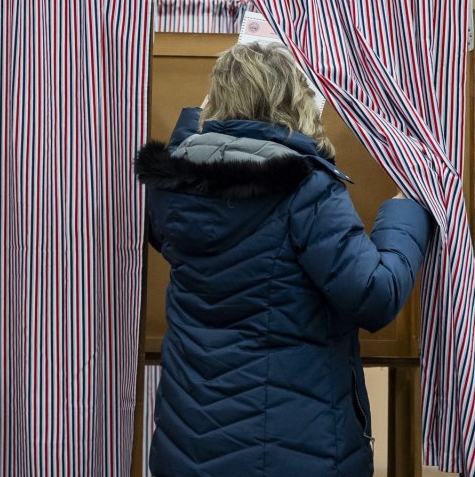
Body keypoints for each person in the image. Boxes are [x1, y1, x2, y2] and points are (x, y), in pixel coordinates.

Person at [134, 42, 432, 476]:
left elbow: (194, 181)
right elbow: (374, 294)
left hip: (186, 450)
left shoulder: (172, 190)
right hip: (292, 451)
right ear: (293, 98)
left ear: (214, 99)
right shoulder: (304, 188)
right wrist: (408, 208)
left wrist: (196, 124)